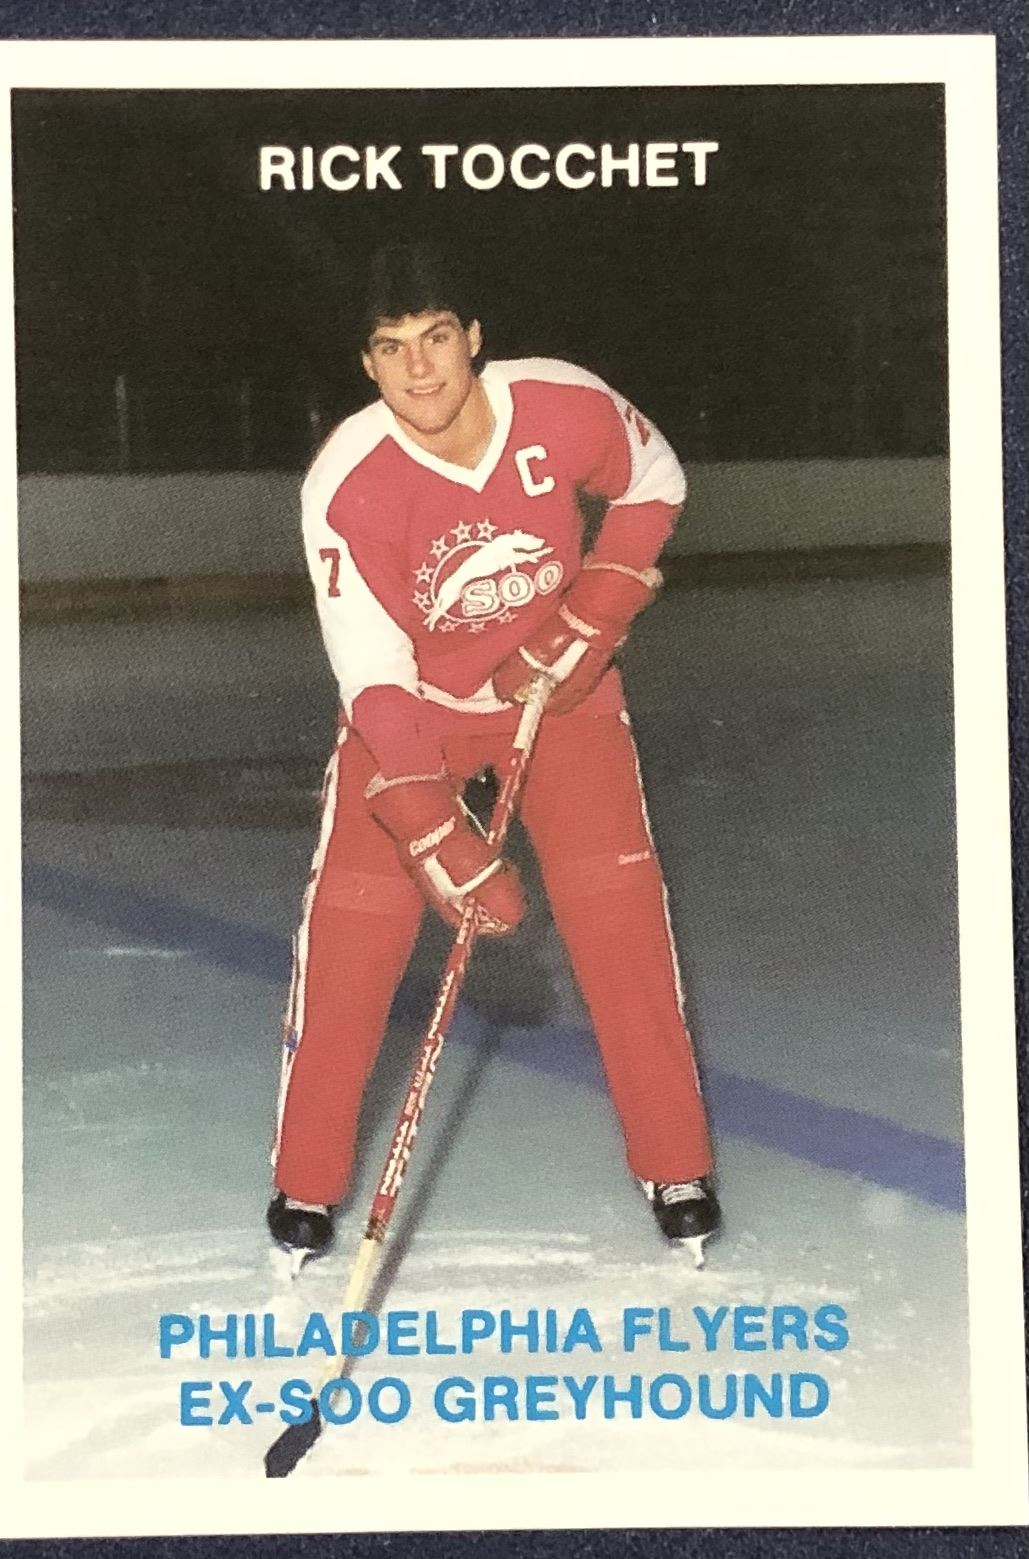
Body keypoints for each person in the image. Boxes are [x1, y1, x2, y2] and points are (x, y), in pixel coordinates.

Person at [268, 244, 719, 1268]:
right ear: (367, 363)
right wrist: (431, 825)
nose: (418, 368)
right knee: (352, 937)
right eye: (391, 347)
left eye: (436, 337)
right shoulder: (346, 479)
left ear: (473, 338)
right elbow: (371, 672)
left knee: (619, 917)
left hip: (558, 695)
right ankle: (305, 1181)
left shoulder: (562, 404)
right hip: (414, 713)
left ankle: (675, 1162)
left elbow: (654, 479)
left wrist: (599, 601)